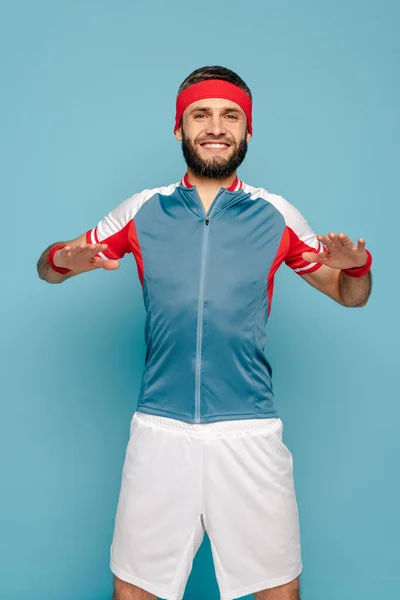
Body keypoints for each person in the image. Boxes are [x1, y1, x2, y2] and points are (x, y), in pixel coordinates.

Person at [37, 65, 372, 600]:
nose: (215, 127)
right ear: (179, 128)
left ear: (247, 130)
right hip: (159, 431)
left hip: (250, 433)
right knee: (133, 592)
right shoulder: (141, 209)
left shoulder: (277, 215)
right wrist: (62, 257)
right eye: (201, 114)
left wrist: (356, 268)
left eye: (230, 115)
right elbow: (50, 269)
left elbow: (348, 294)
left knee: (278, 592)